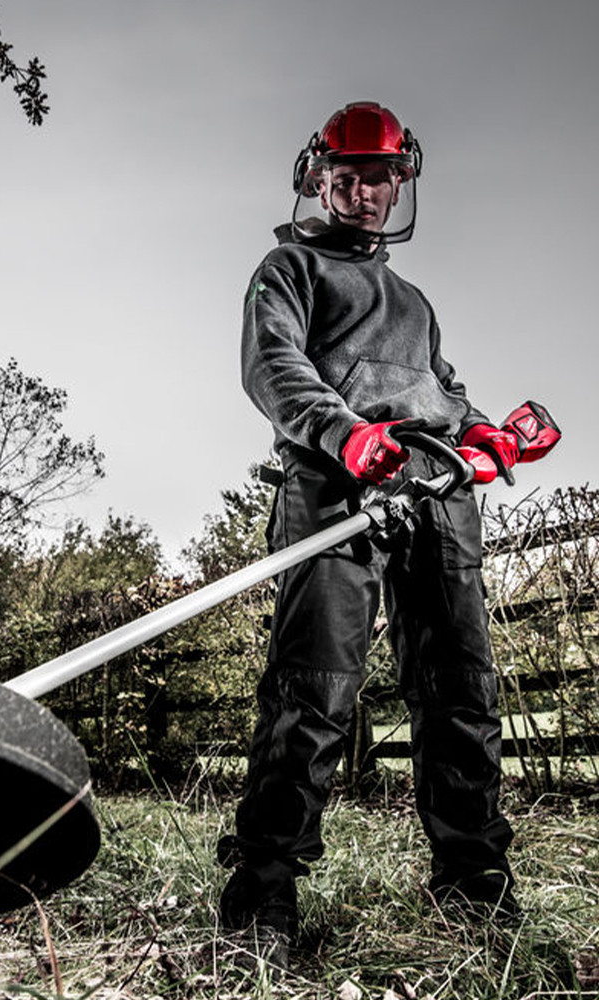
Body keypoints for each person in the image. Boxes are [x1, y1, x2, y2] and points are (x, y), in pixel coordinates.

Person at [219, 101, 521, 966]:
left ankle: (473, 881)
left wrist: (488, 433)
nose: (362, 193)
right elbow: (273, 365)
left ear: (400, 183)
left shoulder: (415, 303)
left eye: (379, 179)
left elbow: (444, 393)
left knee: (461, 686)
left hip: (436, 488)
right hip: (337, 478)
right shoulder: (289, 269)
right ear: (318, 179)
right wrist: (343, 432)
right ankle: (264, 891)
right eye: (346, 177)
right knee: (313, 684)